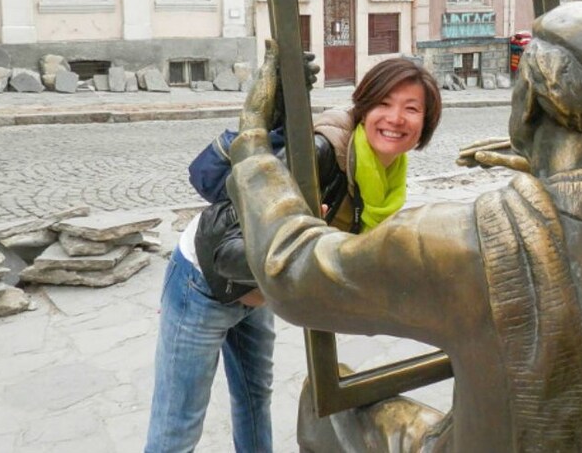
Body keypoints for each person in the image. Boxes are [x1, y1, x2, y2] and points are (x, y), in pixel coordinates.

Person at [227, 1, 582, 452]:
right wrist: (540, 165)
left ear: (530, 99)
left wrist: (251, 142)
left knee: (325, 400)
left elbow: (290, 269)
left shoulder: (459, 244)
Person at [144, 55, 443, 452]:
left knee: (254, 403)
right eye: (384, 104)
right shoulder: (321, 154)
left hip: (260, 292)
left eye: (411, 109)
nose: (395, 118)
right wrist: (298, 235)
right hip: (204, 283)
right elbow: (235, 237)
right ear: (363, 107)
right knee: (179, 426)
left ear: (427, 122)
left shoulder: (388, 175)